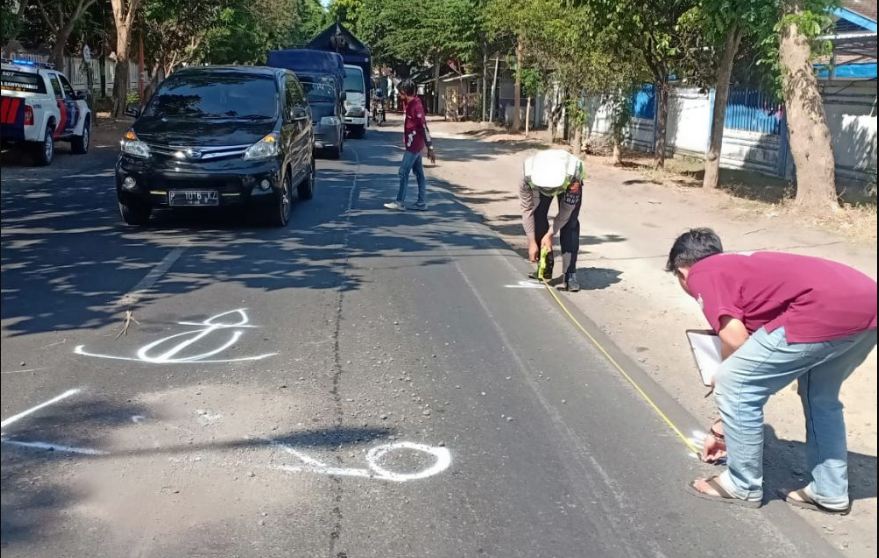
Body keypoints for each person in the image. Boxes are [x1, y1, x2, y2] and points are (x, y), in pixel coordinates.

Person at [667, 228, 877, 513]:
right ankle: (829, 491)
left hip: (824, 308)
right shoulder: (740, 269)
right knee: (820, 396)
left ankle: (742, 485)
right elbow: (746, 352)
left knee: (732, 381)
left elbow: (736, 341)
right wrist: (723, 424)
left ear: (681, 271)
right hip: (867, 301)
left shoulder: (702, 273)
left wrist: (726, 390)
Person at [520, 149, 584, 292]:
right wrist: (531, 241)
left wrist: (550, 234)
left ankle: (570, 274)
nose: (550, 192)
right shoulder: (527, 175)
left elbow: (567, 210)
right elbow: (527, 209)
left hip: (567, 182)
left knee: (570, 223)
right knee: (537, 216)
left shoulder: (574, 175)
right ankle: (545, 267)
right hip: (538, 185)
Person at [384, 79, 435, 211]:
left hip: (414, 145)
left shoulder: (416, 106)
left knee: (403, 172)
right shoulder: (409, 103)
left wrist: (430, 147)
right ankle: (421, 202)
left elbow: (423, 127)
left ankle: (399, 202)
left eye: (400, 93)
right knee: (419, 174)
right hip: (413, 144)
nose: (399, 95)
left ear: (405, 93)